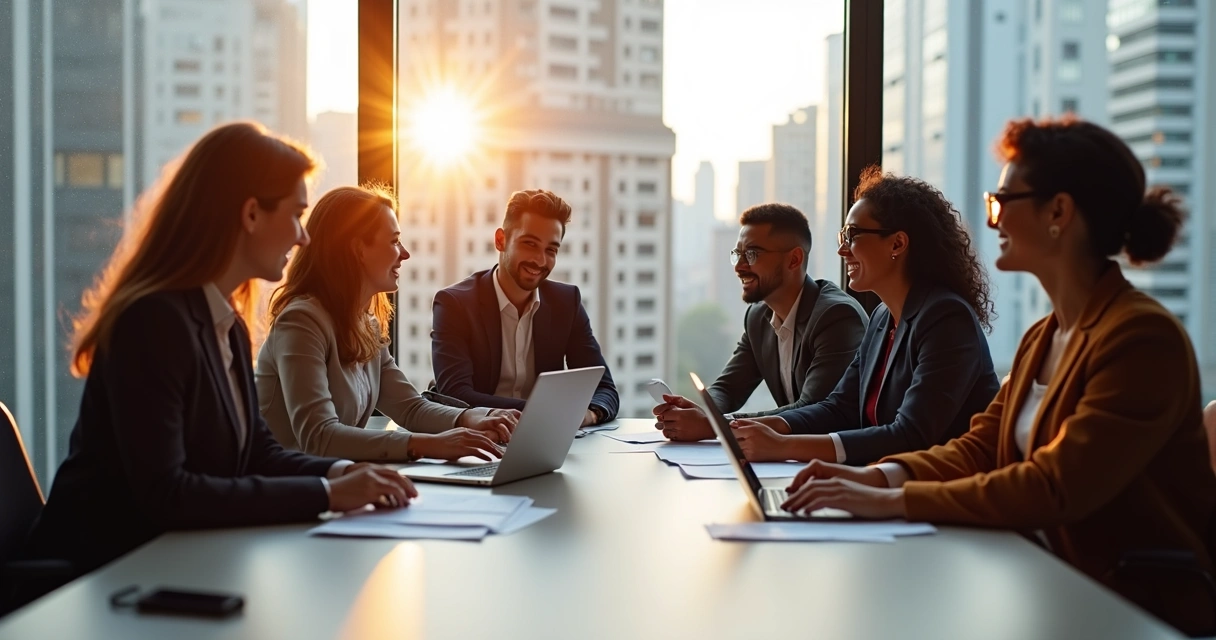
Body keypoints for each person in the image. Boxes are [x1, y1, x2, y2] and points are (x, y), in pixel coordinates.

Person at [782, 117, 1216, 635]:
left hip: (1127, 605)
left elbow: (1053, 486)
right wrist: (871, 477)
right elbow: (978, 447)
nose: (993, 220)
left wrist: (891, 500)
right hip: (1040, 575)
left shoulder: (1142, 339)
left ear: (1059, 212)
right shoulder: (1042, 337)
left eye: (1002, 201)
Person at [23, 123, 415, 577]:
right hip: (97, 574)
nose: (302, 238)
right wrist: (326, 495)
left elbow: (257, 452)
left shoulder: (222, 318)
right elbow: (168, 493)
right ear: (251, 215)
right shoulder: (152, 323)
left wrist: (339, 473)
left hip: (175, 560)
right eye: (294, 216)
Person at [729, 167, 1000, 466]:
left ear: (897, 244)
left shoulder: (946, 318)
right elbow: (838, 408)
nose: (842, 250)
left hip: (941, 497)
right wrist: (744, 429)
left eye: (853, 235)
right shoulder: (883, 318)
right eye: (843, 236)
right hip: (884, 486)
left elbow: (910, 436)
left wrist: (783, 447)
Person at [257, 184, 518, 463]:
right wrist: (430, 445)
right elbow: (318, 436)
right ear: (358, 249)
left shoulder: (366, 324)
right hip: (288, 488)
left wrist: (474, 417)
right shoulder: (301, 322)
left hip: (338, 482)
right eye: (394, 241)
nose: (404, 253)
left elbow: (410, 408)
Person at [654, 203, 866, 441]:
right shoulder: (758, 317)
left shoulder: (836, 317)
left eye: (752, 254)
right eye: (738, 254)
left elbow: (814, 410)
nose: (740, 266)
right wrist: (702, 411)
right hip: (791, 457)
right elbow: (728, 389)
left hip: (843, 463)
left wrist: (716, 425)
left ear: (794, 259)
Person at [431, 189, 619, 425]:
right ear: (501, 240)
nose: (540, 260)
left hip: (544, 439)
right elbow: (455, 395)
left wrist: (588, 415)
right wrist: (546, 411)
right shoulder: (455, 304)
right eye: (529, 244)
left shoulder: (566, 302)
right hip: (478, 435)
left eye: (551, 249)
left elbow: (604, 389)